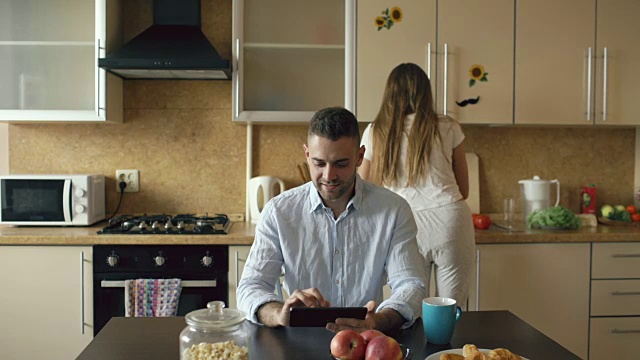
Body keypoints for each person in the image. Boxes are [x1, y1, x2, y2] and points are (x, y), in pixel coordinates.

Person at [237, 107, 426, 333]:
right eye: (319, 163)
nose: (329, 176)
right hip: (298, 343)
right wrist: (278, 313)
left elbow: (411, 284)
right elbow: (251, 286)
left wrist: (379, 320)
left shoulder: (393, 210)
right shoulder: (279, 212)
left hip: (366, 344)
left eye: (341, 163)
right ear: (307, 154)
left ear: (359, 156)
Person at [358, 63, 476, 308]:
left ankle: (410, 349)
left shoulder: (375, 131)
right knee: (451, 308)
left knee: (409, 308)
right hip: (450, 220)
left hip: (404, 224)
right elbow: (464, 190)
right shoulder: (447, 126)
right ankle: (451, 348)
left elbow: (363, 189)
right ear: (426, 92)